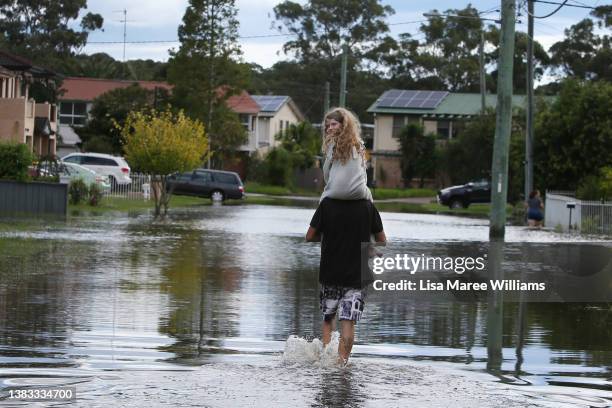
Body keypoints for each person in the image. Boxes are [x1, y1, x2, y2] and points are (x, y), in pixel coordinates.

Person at [305, 197, 386, 365]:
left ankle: (326, 364)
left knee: (328, 319)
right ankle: (341, 366)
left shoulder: (326, 204)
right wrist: (364, 243)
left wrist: (332, 237)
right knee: (348, 322)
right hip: (357, 276)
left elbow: (310, 236)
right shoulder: (368, 206)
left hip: (330, 273)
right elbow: (382, 240)